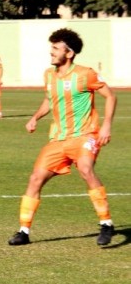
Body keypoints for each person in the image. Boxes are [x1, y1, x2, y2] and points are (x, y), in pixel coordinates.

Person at [8, 28, 117, 246]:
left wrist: (105, 126)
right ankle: (23, 231)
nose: (51, 52)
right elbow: (50, 100)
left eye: (56, 48)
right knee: (35, 179)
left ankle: (106, 223)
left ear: (69, 53)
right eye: (52, 47)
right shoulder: (49, 75)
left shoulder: (86, 74)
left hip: (85, 135)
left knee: (86, 168)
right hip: (58, 139)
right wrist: (35, 118)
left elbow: (110, 96)